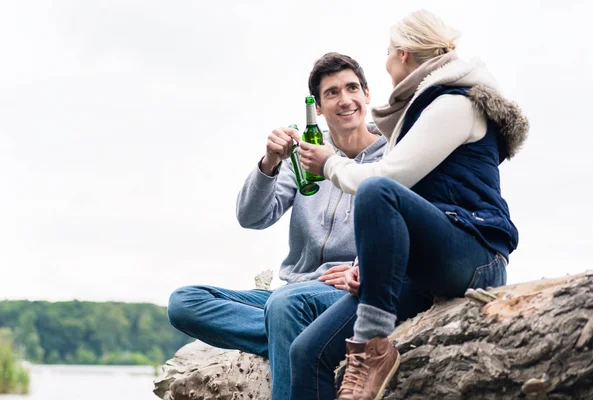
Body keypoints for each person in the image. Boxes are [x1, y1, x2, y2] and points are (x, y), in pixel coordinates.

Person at [294, 10, 529, 400]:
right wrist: (363, 267)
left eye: (387, 53)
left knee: (375, 192)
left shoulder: (457, 104)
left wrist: (330, 163)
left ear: (402, 55)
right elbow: (410, 210)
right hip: (430, 262)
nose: (385, 64)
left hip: (475, 255)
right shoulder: (421, 109)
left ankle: (371, 351)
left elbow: (388, 182)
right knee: (308, 351)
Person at [167, 52, 387, 400]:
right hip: (291, 293)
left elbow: (404, 225)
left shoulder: (392, 157)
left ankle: (293, 331)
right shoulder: (303, 156)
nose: (345, 100)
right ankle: (298, 336)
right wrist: (270, 162)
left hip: (343, 293)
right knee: (184, 302)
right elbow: (251, 217)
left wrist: (365, 269)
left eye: (352, 88)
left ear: (367, 95)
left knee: (285, 306)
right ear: (317, 107)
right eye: (332, 93)